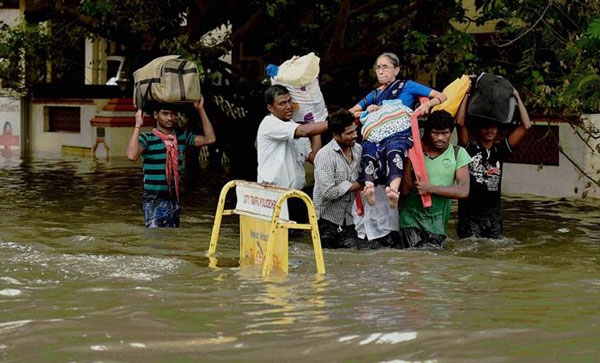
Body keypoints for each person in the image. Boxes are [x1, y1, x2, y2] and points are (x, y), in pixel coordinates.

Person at [349, 52, 447, 246]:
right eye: (378, 67)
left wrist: (426, 106)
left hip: (398, 134)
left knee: (394, 148)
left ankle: (393, 191)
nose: (380, 71)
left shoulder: (407, 86)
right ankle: (368, 187)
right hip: (377, 135)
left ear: (396, 69)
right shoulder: (375, 94)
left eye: (385, 67)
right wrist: (367, 110)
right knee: (367, 149)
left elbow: (441, 96)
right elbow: (352, 112)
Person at [126, 97, 216, 228]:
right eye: (165, 114)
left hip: (173, 200)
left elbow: (210, 138)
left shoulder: (181, 137)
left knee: (172, 240)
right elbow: (131, 155)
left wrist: (200, 109)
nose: (170, 118)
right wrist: (137, 125)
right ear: (156, 115)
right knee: (155, 242)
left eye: (172, 114)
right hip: (153, 200)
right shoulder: (148, 138)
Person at [456, 88, 532, 239]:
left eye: (493, 127)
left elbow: (526, 126)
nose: (490, 130)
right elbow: (459, 123)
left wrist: (516, 97)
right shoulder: (469, 149)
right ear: (479, 129)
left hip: (493, 218)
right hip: (469, 217)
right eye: (485, 127)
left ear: (498, 130)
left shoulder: (500, 150)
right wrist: (466, 95)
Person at [399, 110, 471, 248]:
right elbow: (405, 191)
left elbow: (463, 190)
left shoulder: (457, 154)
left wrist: (430, 188)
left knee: (431, 262)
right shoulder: (413, 151)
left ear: (451, 132)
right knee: (412, 260)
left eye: (445, 133)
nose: (440, 138)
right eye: (435, 133)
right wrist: (409, 159)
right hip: (410, 219)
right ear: (427, 132)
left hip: (437, 224)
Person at [256, 85, 329, 222]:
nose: (289, 106)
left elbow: (314, 157)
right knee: (278, 240)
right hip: (273, 197)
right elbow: (304, 131)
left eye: (290, 101)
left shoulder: (294, 125)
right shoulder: (269, 124)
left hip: (296, 196)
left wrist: (316, 120)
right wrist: (333, 123)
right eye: (282, 103)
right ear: (270, 108)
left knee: (299, 240)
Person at [313, 109, 363, 249]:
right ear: (336, 135)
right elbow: (328, 192)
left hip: (349, 220)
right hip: (325, 221)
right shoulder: (325, 156)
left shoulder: (358, 150)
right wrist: (357, 184)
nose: (355, 135)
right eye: (349, 133)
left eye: (355, 130)